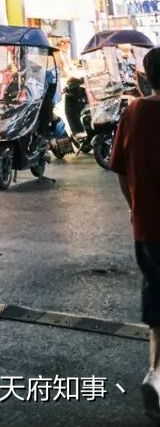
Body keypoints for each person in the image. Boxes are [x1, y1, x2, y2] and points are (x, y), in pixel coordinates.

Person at [111, 45, 160, 419]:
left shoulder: (133, 112)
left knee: (156, 294)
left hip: (147, 223)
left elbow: (121, 170)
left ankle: (156, 370)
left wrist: (133, 205)